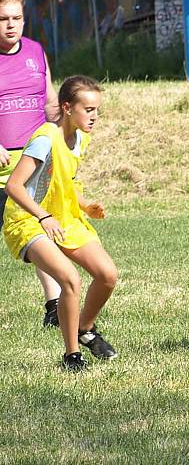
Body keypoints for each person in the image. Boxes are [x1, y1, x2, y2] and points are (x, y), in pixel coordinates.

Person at [3, 75, 119, 371]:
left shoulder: (80, 137)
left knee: (107, 275)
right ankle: (72, 355)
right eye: (88, 109)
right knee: (70, 279)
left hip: (62, 216)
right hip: (27, 220)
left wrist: (84, 204)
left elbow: (67, 179)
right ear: (67, 107)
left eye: (97, 110)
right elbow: (14, 187)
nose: (94, 116)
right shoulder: (45, 140)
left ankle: (85, 329)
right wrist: (43, 216)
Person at [0, 0, 63, 327]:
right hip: (1, 166)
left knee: (40, 230)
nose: (11, 25)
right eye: (3, 19)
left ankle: (54, 306)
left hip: (34, 163)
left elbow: (49, 98)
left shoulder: (36, 52)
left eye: (16, 18)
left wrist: (60, 132)